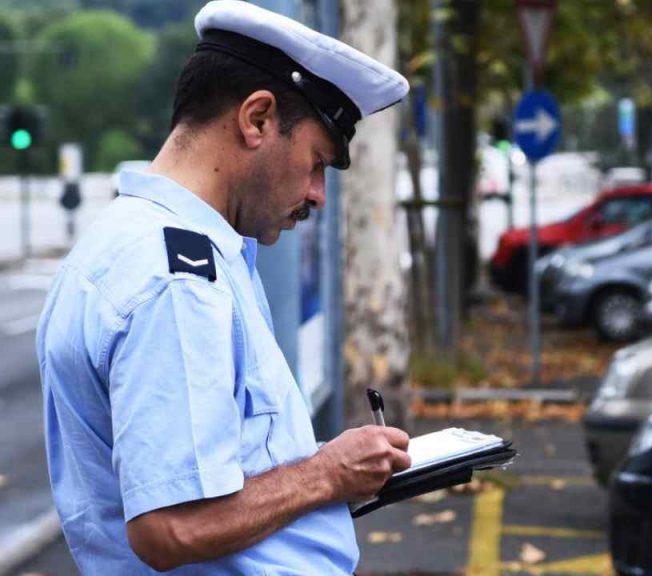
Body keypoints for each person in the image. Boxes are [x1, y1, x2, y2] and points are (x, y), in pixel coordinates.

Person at [35, 1, 412, 573]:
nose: (318, 194)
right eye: (316, 161)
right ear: (257, 119)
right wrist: (327, 473)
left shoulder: (134, 242)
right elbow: (171, 527)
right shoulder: (176, 280)